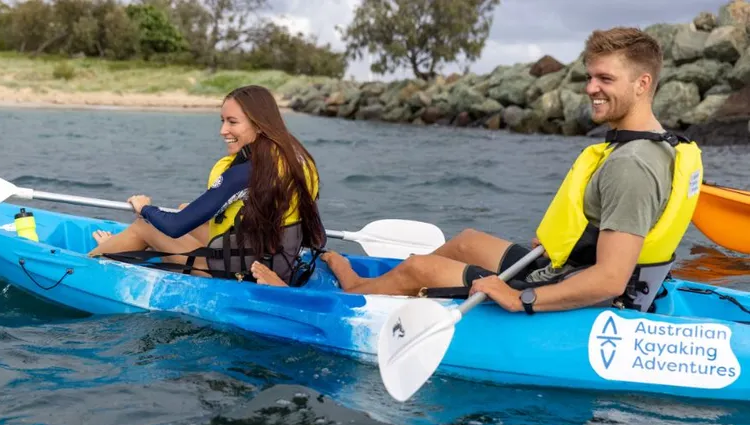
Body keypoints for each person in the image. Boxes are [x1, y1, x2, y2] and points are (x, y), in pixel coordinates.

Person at [297, 27, 703, 314]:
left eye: (605, 79)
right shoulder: (659, 144)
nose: (590, 88)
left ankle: (364, 292)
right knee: (467, 242)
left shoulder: (631, 165)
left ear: (641, 83)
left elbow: (610, 279)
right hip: (572, 268)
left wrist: (519, 298)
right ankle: (402, 287)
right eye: (590, 76)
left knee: (421, 268)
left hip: (587, 298)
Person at [88, 84, 326, 287]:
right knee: (185, 209)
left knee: (145, 226)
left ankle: (89, 263)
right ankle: (118, 249)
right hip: (277, 264)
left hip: (241, 276)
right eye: (223, 121)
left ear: (259, 124)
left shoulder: (246, 173)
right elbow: (318, 237)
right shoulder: (297, 160)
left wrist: (144, 208)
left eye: (232, 122)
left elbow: (175, 227)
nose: (223, 131)